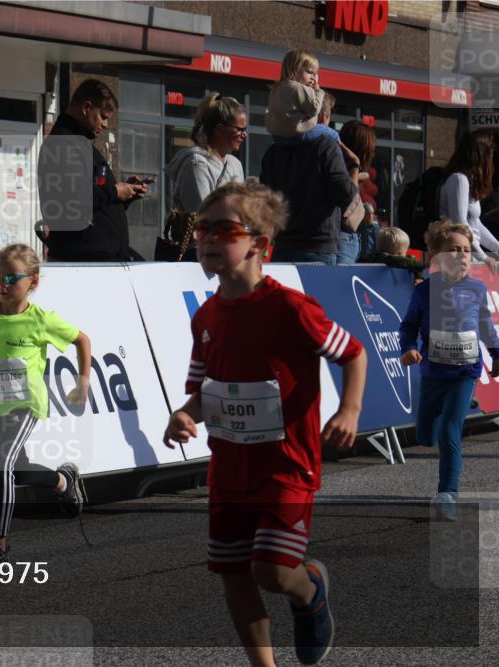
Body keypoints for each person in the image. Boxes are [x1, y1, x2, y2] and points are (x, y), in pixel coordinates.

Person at [163, 180, 368, 666]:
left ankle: (309, 589)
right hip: (229, 469)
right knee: (233, 572)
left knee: (271, 572)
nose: (207, 238)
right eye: (202, 228)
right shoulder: (206, 316)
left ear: (259, 243)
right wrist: (183, 415)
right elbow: (204, 390)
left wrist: (350, 410)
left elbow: (354, 353)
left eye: (224, 229)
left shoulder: (291, 308)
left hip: (286, 466)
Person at [0, 243, 91, 563]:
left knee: (0, 463)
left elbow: (82, 340)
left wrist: (83, 381)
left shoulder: (40, 319)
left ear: (33, 282)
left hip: (27, 403)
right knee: (17, 470)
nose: (2, 285)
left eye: (11, 278)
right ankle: (63, 481)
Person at [399, 221, 499, 521]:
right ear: (437, 257)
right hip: (433, 372)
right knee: (425, 434)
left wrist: (496, 353)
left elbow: (485, 326)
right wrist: (408, 348)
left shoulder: (476, 289)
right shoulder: (425, 291)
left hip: (465, 371)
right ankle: (447, 412)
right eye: (454, 250)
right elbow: (409, 326)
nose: (462, 255)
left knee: (449, 429)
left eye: (466, 250)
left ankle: (447, 494)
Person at [260, 50, 359, 264]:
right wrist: (354, 170)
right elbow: (344, 194)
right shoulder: (325, 146)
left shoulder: (273, 152)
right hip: (317, 247)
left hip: (283, 245)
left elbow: (265, 200)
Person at [38, 79, 146, 261]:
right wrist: (115, 191)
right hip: (83, 261)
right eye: (103, 116)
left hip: (98, 257)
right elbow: (75, 201)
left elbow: (94, 202)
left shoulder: (77, 144)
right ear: (86, 108)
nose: (105, 124)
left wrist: (124, 195)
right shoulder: (63, 144)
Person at [161, 92, 246, 261]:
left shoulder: (235, 164)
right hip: (200, 254)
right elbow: (204, 216)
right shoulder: (196, 164)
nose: (244, 135)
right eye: (239, 129)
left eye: (245, 130)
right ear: (220, 129)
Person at [439, 129, 498, 272]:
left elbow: (475, 224)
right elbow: (460, 224)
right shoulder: (459, 180)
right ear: (482, 155)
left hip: (471, 256)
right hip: (459, 259)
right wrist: (483, 257)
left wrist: (496, 248)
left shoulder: (469, 182)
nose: (492, 159)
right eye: (490, 153)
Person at [338, 120, 378, 264]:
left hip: (351, 238)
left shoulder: (344, 168)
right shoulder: (344, 168)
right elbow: (350, 197)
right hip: (343, 239)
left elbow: (365, 175)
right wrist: (355, 166)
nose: (373, 153)